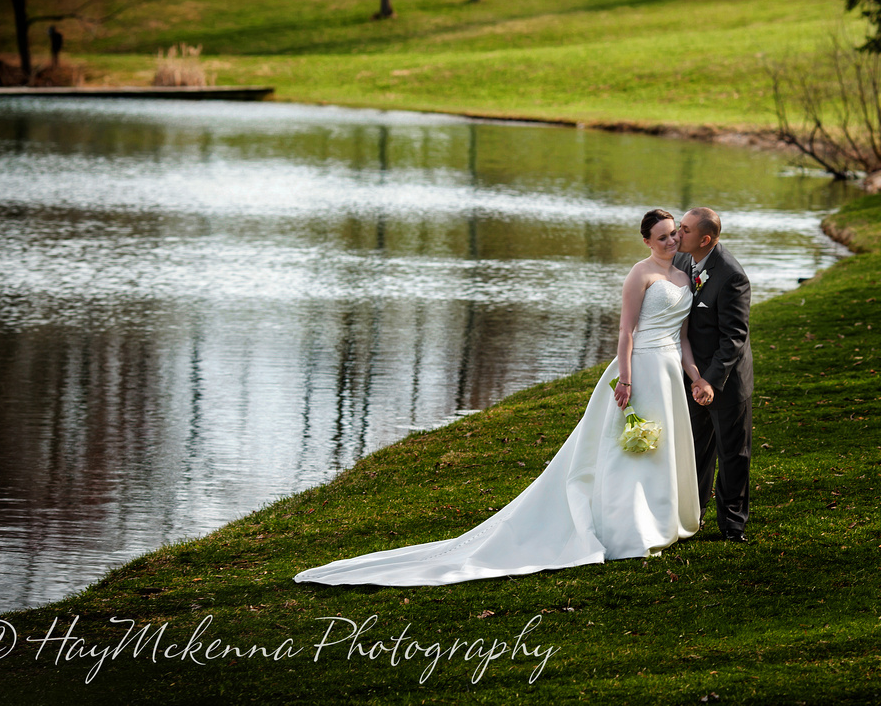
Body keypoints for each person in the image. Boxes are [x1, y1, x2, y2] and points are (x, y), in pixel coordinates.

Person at [294, 210, 703, 587]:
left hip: (669, 372)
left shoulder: (684, 277)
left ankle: (662, 520)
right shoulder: (640, 273)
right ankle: (627, 529)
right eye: (662, 236)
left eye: (673, 235)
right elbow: (626, 333)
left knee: (660, 448)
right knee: (624, 453)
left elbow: (682, 337)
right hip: (639, 371)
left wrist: (696, 377)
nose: (670, 241)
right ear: (647, 241)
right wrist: (626, 380)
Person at [673, 207, 754, 543]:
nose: (678, 234)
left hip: (726, 380)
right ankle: (693, 517)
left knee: (732, 453)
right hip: (689, 375)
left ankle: (733, 526)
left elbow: (734, 336)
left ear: (705, 239)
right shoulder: (680, 262)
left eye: (686, 229)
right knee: (694, 450)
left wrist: (709, 380)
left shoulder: (732, 276)